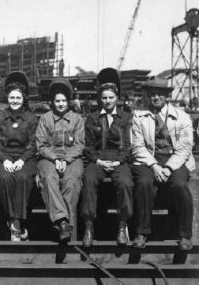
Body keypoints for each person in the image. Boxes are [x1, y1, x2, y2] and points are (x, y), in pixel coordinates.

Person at [131, 77, 194, 250]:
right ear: (147, 96)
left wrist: (167, 167)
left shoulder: (182, 117)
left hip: (175, 159)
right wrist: (154, 166)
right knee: (144, 183)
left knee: (180, 185)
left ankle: (185, 235)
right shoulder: (139, 116)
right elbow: (137, 146)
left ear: (166, 96)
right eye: (152, 94)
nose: (156, 97)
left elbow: (185, 147)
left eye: (160, 94)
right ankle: (142, 232)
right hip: (148, 160)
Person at [81, 68, 134, 247]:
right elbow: (87, 145)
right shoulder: (92, 118)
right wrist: (98, 161)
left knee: (125, 182)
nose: (108, 101)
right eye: (104, 98)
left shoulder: (126, 118)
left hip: (120, 159)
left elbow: (128, 145)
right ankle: (89, 227)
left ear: (117, 98)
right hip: (98, 159)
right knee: (88, 178)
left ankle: (122, 225)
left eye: (111, 97)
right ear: (100, 99)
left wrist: (119, 161)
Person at [0, 71, 38, 241]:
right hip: (2, 157)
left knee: (23, 177)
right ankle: (15, 222)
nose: (15, 101)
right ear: (7, 98)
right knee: (4, 177)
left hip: (25, 157)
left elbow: (33, 144)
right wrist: (5, 160)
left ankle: (15, 222)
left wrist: (22, 160)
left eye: (18, 98)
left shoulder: (30, 118)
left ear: (23, 98)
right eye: (11, 98)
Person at [36, 78, 84, 243]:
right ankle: (62, 222)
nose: (61, 104)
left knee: (72, 182)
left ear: (69, 101)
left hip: (72, 158)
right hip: (49, 157)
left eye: (64, 100)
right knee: (48, 178)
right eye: (57, 101)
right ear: (52, 102)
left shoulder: (77, 119)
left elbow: (79, 145)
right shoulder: (45, 119)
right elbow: (41, 145)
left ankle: (68, 232)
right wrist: (56, 159)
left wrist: (66, 159)